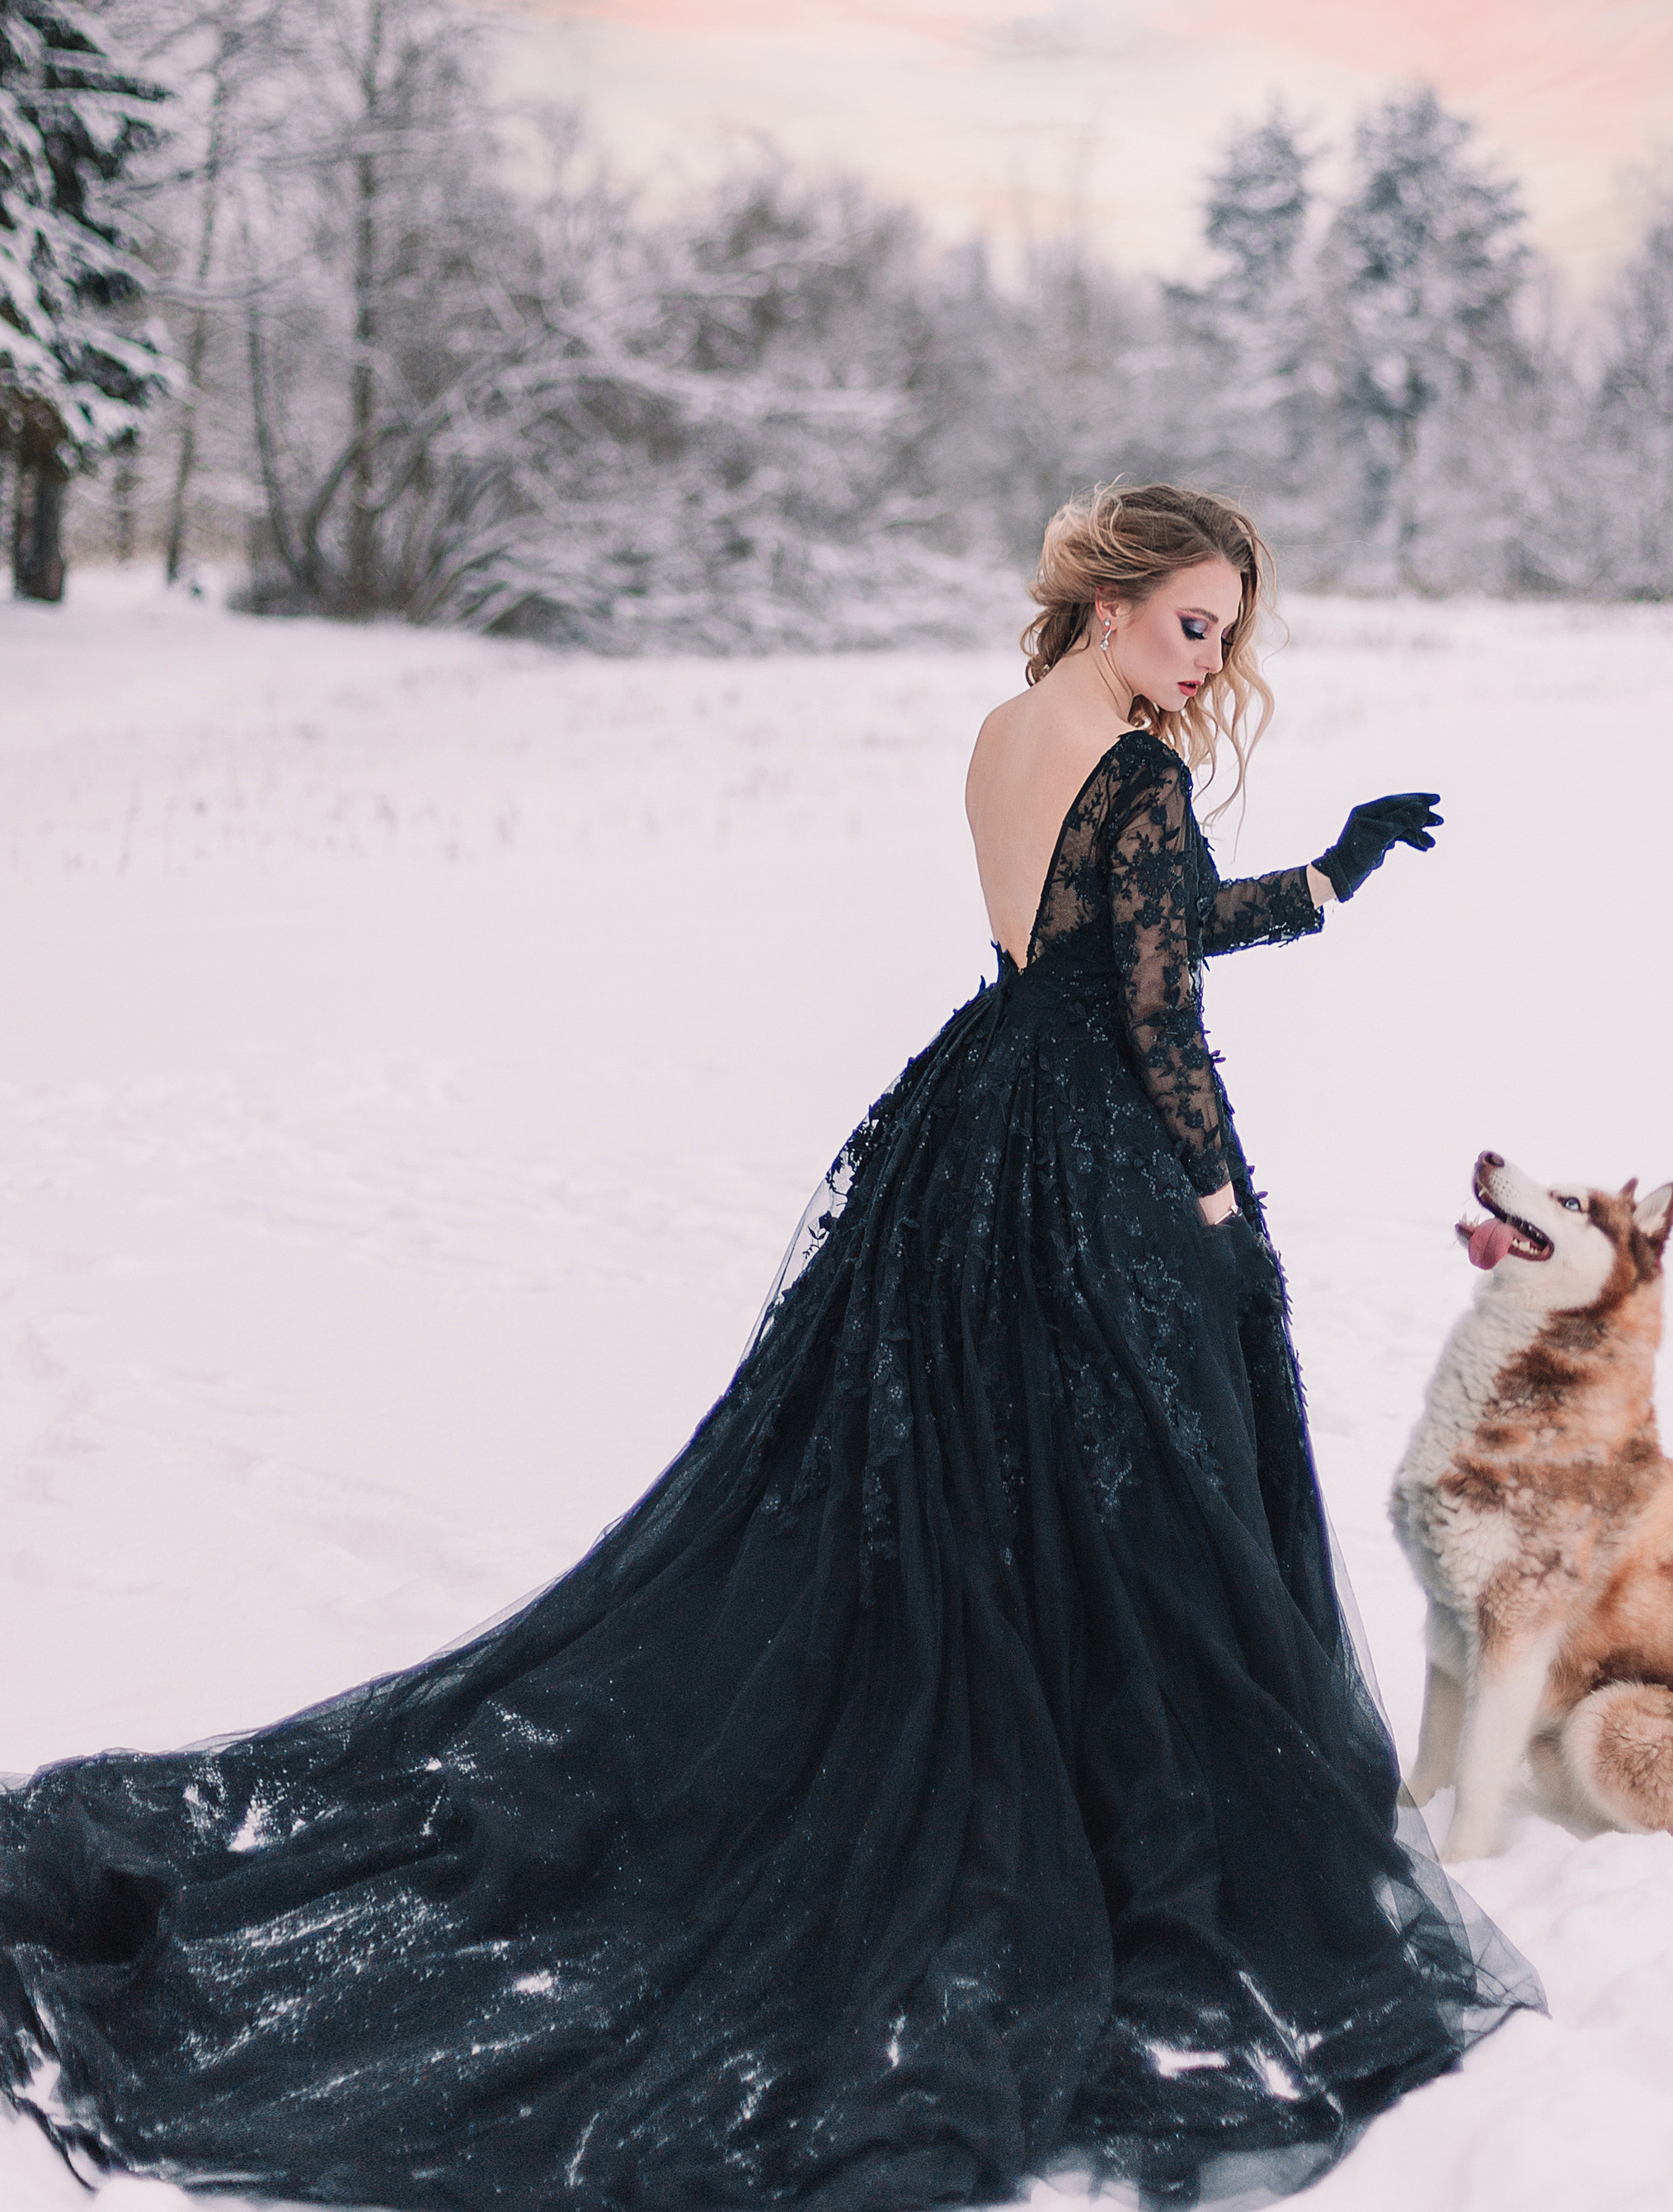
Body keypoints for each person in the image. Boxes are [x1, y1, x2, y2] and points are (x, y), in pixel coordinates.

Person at [0, 482, 1538, 2209]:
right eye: (1192, 622)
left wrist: (1324, 875)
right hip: (1093, 1155)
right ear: (1108, 605)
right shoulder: (1139, 769)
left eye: (1229, 632)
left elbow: (1096, 939)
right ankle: (1124, 1837)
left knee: (997, 1493)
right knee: (1133, 1496)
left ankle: (1062, 1783)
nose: (1212, 659)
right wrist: (1201, 1200)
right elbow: (1154, 1005)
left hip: (973, 1138)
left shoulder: (1011, 730)